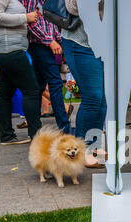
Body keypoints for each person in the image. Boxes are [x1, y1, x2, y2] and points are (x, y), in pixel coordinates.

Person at [0, 0, 42, 145]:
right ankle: (37, 136)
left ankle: (7, 136)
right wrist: (26, 17)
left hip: (5, 48)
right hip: (9, 49)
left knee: (5, 92)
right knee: (32, 91)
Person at [61, 0, 108, 168]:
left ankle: (95, 144)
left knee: (102, 98)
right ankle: (82, 149)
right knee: (93, 96)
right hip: (80, 41)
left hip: (102, 42)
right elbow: (72, 7)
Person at [21, 0, 71, 134]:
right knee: (55, 83)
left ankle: (34, 128)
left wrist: (60, 40)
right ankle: (64, 128)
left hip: (47, 45)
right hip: (39, 46)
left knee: (38, 87)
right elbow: (30, 21)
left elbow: (51, 23)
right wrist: (51, 42)